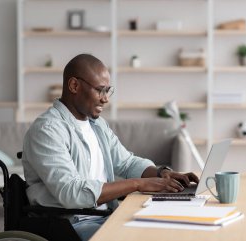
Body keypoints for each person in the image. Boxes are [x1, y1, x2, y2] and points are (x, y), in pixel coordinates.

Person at [22, 53, 199, 241]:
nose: (105, 99)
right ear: (74, 85)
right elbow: (71, 192)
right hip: (72, 224)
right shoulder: (47, 130)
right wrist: (138, 184)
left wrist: (160, 173)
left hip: (105, 216)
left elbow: (126, 162)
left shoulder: (97, 125)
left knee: (171, 227)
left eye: (108, 91)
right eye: (100, 90)